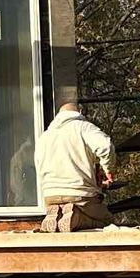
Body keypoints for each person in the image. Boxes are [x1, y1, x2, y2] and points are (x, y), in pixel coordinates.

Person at [35, 98, 114, 233]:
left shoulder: (44, 137)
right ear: (80, 112)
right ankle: (75, 218)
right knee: (106, 221)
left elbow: (39, 169)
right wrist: (108, 171)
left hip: (51, 196)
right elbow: (106, 147)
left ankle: (55, 217)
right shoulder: (83, 127)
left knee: (60, 218)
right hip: (79, 195)